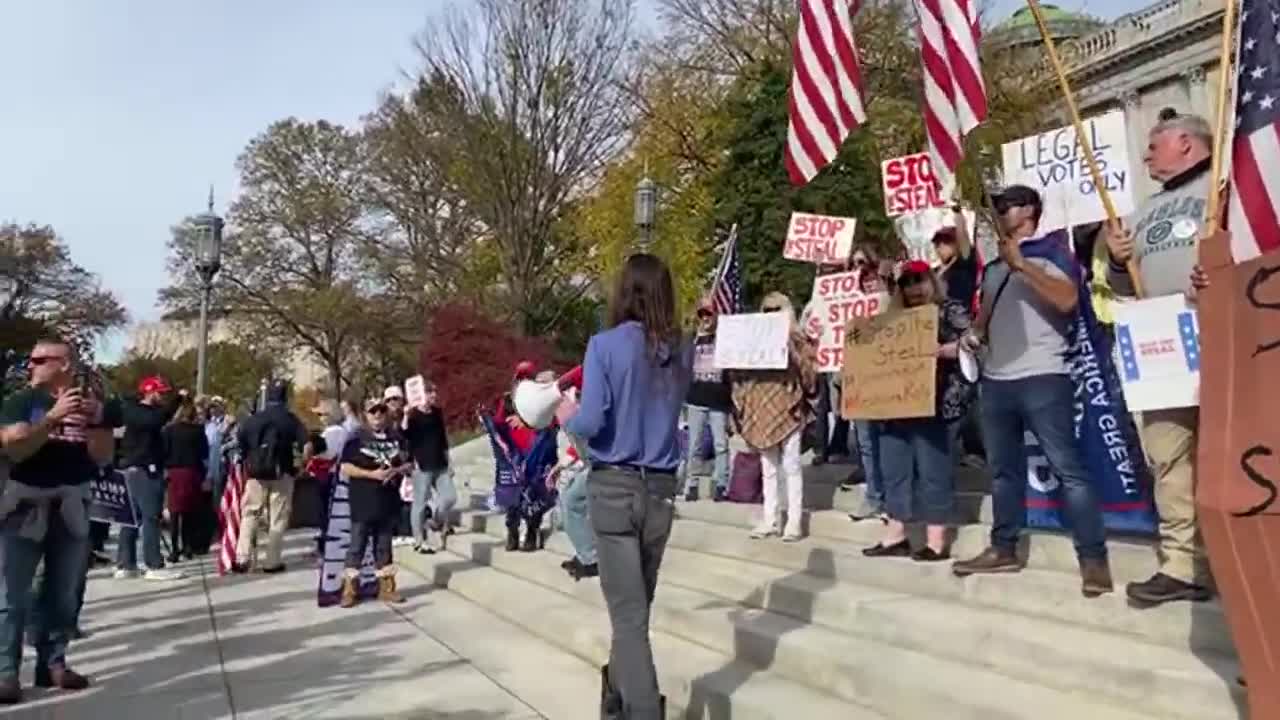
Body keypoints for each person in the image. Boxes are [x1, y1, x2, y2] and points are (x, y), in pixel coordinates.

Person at [952, 184, 1113, 598]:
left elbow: (1066, 301)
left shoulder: (1053, 253)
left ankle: (1093, 560)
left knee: (1069, 470)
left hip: (1044, 375)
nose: (1002, 211)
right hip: (997, 380)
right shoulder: (993, 269)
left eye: (1009, 205)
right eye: (1000, 205)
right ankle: (1004, 547)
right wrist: (972, 337)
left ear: (1031, 212)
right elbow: (983, 319)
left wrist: (1023, 265)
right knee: (1003, 472)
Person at [561, 253, 687, 719]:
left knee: (629, 617)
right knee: (635, 611)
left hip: (614, 487)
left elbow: (591, 419)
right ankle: (613, 695)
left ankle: (639, 709)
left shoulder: (604, 345)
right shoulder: (681, 348)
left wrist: (565, 417)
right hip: (659, 490)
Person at [1104, 109, 1215, 606]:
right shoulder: (1144, 211)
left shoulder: (1225, 187)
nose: (1146, 154)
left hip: (1221, 337)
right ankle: (1182, 563)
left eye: (1155, 144)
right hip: (1163, 348)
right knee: (1168, 454)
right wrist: (1115, 257)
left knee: (1228, 452)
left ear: (1187, 144)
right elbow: (1123, 284)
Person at [0, 339, 103, 702]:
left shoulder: (87, 404)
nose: (32, 365)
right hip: (24, 509)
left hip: (70, 505)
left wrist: (96, 422)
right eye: (31, 359)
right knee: (13, 595)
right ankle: (6, 672)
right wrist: (52, 418)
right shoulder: (20, 401)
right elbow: (15, 447)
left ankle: (53, 663)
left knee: (62, 593)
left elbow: (102, 458)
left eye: (41, 360)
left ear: (65, 364)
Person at [862, 261, 974, 561]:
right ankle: (895, 535)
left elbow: (974, 342)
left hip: (935, 406)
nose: (912, 287)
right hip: (895, 406)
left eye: (918, 280)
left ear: (931, 281)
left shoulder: (948, 309)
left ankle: (935, 541)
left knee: (933, 471)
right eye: (906, 282)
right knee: (894, 470)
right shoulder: (891, 319)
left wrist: (941, 350)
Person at [731, 292, 817, 542]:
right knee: (768, 467)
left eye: (776, 309)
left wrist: (793, 347)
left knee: (791, 465)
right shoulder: (753, 338)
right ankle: (770, 519)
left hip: (788, 405)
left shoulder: (798, 339)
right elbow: (741, 371)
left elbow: (810, 377)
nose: (771, 314)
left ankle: (794, 521)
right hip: (761, 406)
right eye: (767, 310)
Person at [339, 398, 414, 607]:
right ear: (366, 415)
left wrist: (395, 471)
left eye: (381, 411)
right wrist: (372, 475)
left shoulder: (397, 438)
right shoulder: (356, 439)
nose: (378, 416)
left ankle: (387, 588)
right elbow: (345, 468)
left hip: (387, 502)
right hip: (362, 502)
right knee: (357, 547)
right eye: (373, 412)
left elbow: (409, 464)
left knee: (384, 547)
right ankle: (350, 590)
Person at [233, 380, 308, 574]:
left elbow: (240, 444)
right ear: (285, 396)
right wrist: (301, 467)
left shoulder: (253, 419)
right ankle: (272, 561)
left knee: (250, 514)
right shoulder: (290, 419)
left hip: (255, 474)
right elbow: (306, 445)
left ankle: (243, 558)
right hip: (282, 472)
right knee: (278, 517)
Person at [116, 376, 184, 581]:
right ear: (149, 391)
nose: (163, 396)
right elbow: (157, 420)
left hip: (139, 469)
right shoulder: (138, 412)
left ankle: (126, 563)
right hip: (143, 469)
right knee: (150, 517)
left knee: (132, 518)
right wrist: (177, 401)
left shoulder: (145, 413)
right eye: (160, 393)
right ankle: (153, 563)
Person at [681, 298, 733, 502]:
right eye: (702, 314)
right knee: (694, 445)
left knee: (721, 444)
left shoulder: (724, 339)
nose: (705, 318)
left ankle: (721, 484)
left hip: (718, 400)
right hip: (696, 399)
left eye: (709, 314)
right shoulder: (693, 340)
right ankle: (691, 484)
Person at [403, 380, 456, 554]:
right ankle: (419, 540)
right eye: (429, 392)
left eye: (434, 392)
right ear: (421, 395)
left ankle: (435, 521)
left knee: (449, 497)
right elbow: (404, 436)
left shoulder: (437, 413)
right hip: (421, 465)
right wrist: (405, 415)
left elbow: (443, 439)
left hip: (440, 463)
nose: (433, 395)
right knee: (419, 503)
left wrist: (449, 461)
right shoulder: (413, 416)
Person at [162, 400, 208, 563]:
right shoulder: (198, 431)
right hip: (192, 472)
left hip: (174, 473)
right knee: (190, 512)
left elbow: (164, 452)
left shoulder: (169, 431)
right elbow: (204, 454)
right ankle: (188, 547)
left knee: (174, 513)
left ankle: (175, 550)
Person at [932, 207, 979, 307]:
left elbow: (964, 242)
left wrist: (958, 215)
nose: (940, 246)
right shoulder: (934, 272)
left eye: (946, 241)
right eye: (937, 243)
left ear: (956, 244)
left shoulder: (963, 265)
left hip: (962, 316)